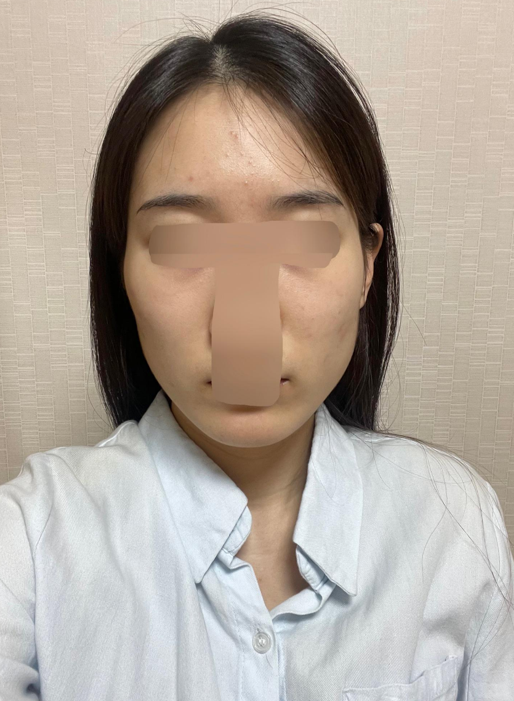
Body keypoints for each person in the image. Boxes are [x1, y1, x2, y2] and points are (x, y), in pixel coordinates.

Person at [1, 11, 512, 700]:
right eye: (182, 242)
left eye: (301, 240)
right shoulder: (29, 544)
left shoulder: (452, 520)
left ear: (368, 264)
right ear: (120, 269)